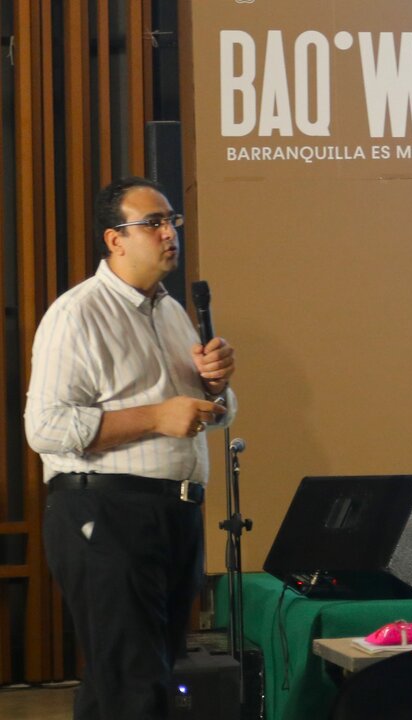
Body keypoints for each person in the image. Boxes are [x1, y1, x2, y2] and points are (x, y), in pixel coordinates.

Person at [24, 177, 237, 720]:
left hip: (175, 513)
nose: (170, 233)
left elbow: (198, 415)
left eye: (172, 221)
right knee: (131, 684)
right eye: (153, 223)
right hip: (106, 511)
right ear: (114, 239)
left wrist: (216, 390)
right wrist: (156, 416)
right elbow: (45, 427)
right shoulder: (78, 313)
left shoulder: (171, 311)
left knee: (144, 682)